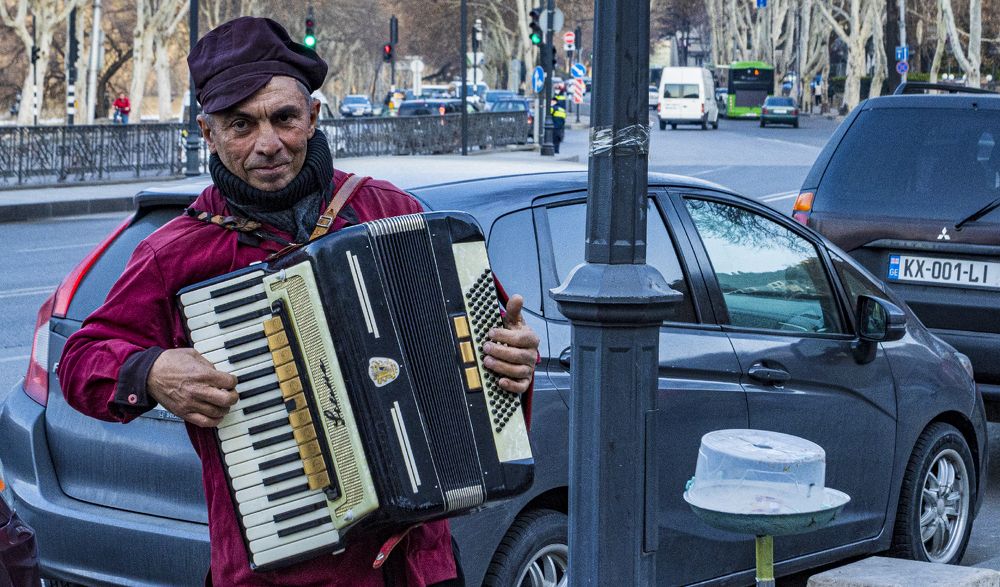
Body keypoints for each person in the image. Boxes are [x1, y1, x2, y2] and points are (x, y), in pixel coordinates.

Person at [57, 17, 540, 587]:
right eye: (241, 124)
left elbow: (493, 351)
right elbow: (80, 359)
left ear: (311, 116)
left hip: (416, 567)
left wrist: (512, 362)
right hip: (280, 569)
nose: (268, 143)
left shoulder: (395, 211)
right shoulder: (177, 252)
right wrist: (151, 370)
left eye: (284, 117)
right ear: (207, 134)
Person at [550, 85, 567, 154]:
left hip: (555, 125)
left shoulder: (554, 106)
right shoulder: (561, 109)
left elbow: (549, 114)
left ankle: (554, 150)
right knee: (558, 138)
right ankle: (556, 150)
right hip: (560, 125)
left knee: (554, 138)